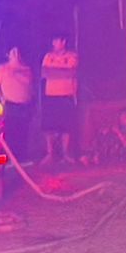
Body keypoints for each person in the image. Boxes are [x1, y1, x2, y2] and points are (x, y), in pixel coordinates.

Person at [39, 35, 81, 164]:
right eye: (54, 40)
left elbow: (72, 73)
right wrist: (62, 72)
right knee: (49, 126)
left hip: (66, 94)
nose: (55, 43)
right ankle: (50, 154)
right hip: (51, 95)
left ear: (63, 42)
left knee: (66, 126)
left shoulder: (72, 56)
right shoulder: (48, 56)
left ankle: (65, 154)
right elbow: (45, 73)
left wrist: (54, 72)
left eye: (57, 40)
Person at [0, 46, 34, 160]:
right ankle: (10, 158)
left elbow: (30, 86)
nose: (16, 54)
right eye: (13, 51)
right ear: (8, 54)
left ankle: (22, 157)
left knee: (23, 131)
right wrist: (1, 97)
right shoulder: (2, 68)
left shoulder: (26, 69)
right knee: (11, 131)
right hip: (10, 104)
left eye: (17, 51)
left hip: (24, 105)